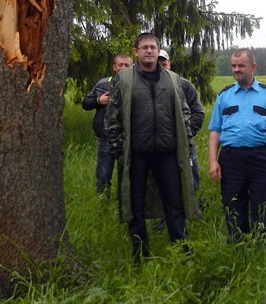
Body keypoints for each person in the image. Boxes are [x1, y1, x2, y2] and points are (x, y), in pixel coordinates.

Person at [104, 32, 198, 263]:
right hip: (135, 155)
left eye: (152, 47)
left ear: (158, 51)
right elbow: (112, 118)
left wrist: (184, 140)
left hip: (166, 154)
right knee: (134, 206)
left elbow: (185, 114)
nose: (149, 51)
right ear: (136, 52)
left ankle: (182, 252)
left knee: (174, 205)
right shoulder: (124, 79)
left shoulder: (173, 80)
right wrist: (119, 150)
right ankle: (140, 256)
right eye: (144, 47)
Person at [208, 49, 266, 240]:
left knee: (264, 205)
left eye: (241, 65)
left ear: (253, 67)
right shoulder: (224, 95)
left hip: (261, 157)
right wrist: (212, 161)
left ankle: (262, 245)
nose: (236, 69)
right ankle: (238, 246)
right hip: (231, 159)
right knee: (234, 205)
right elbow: (215, 130)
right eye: (233, 66)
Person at [81, 53, 134, 196]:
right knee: (103, 177)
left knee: (127, 179)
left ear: (132, 67)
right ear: (114, 67)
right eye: (120, 65)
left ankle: (124, 208)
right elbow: (85, 104)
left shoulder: (137, 85)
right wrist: (98, 100)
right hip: (105, 140)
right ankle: (102, 206)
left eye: (126, 65)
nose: (123, 67)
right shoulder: (102, 84)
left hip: (128, 141)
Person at [158, 49, 204, 191]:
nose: (161, 69)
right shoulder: (146, 87)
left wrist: (184, 135)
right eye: (157, 65)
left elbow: (198, 113)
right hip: (160, 147)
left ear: (169, 64)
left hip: (185, 145)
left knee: (191, 182)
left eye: (164, 64)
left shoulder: (184, 85)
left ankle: (196, 210)